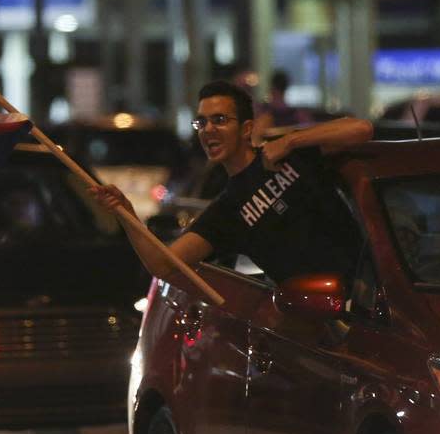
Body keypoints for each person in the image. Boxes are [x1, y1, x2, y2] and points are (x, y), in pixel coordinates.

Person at [89, 80, 373, 287]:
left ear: (246, 128)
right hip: (323, 322)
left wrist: (290, 140)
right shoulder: (227, 211)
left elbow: (361, 129)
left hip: (374, 294)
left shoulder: (292, 154)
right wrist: (125, 212)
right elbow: (165, 265)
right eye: (202, 123)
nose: (209, 130)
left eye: (220, 120)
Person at [252, 69, 308, 144]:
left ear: (271, 87)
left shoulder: (263, 113)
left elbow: (255, 139)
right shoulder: (298, 114)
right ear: (286, 88)